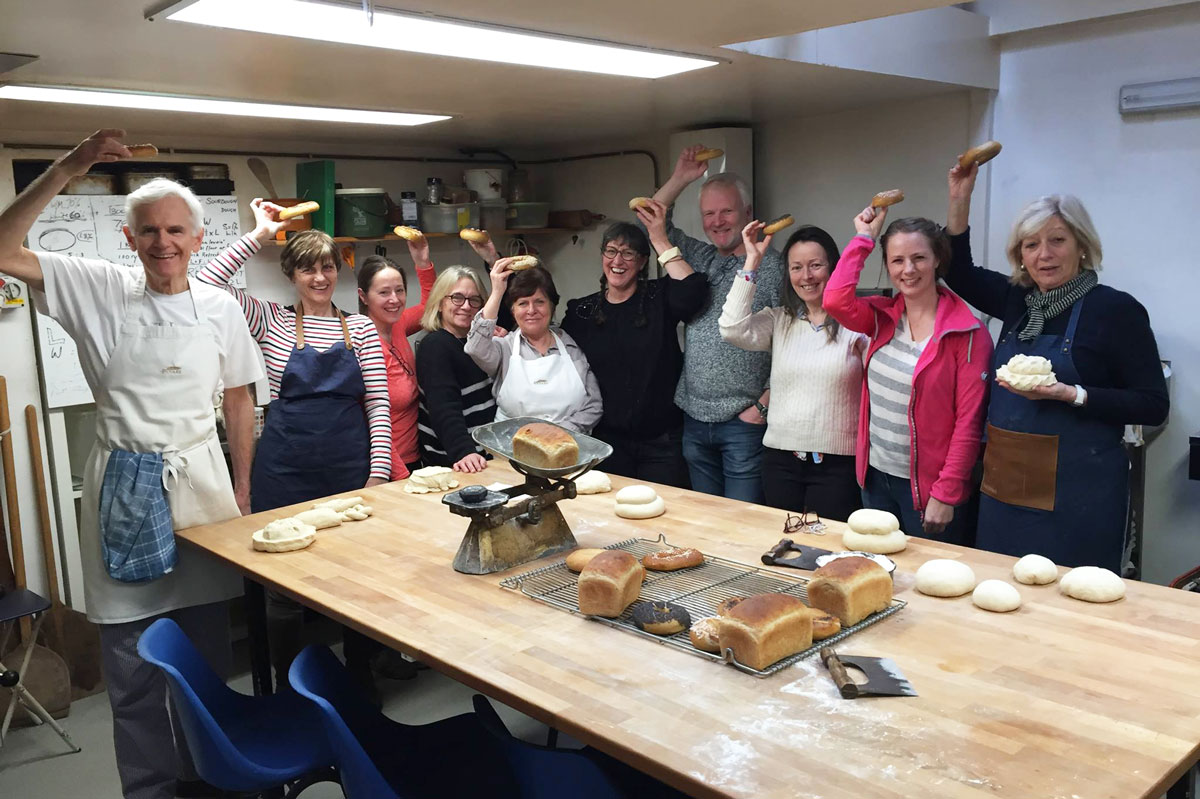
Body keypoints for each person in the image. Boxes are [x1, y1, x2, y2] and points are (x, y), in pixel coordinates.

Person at [0, 130, 263, 799]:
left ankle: (215, 779)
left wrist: (241, 490)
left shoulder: (220, 307)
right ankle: (150, 790)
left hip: (203, 496)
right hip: (124, 490)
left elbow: (239, 400)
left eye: (176, 230)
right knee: (136, 669)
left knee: (205, 663)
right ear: (129, 238)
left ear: (198, 239)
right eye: (148, 231)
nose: (163, 242)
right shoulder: (99, 289)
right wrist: (70, 165)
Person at [196, 201, 389, 683]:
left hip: (348, 471)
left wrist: (378, 474)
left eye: (327, 267)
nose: (320, 277)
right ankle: (289, 685)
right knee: (282, 588)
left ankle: (359, 682)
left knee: (357, 580)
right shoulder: (271, 321)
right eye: (308, 268)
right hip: (284, 472)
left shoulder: (361, 327)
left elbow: (378, 405)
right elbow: (204, 284)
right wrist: (259, 233)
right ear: (292, 275)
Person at [945, 162, 1168, 570]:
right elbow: (957, 269)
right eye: (1031, 245)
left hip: (1078, 498)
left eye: (1057, 240)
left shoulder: (1115, 310)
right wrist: (960, 198)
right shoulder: (1016, 300)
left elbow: (1154, 404)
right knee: (999, 590)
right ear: (1020, 255)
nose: (1044, 255)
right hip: (1004, 491)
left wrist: (1073, 394)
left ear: (1082, 245)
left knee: (1069, 605)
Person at [824, 204, 992, 544]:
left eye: (919, 258)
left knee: (929, 587)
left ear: (937, 261)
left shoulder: (968, 334)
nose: (908, 269)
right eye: (897, 260)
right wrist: (863, 238)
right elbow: (835, 300)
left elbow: (969, 423)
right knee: (880, 578)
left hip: (929, 492)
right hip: (875, 479)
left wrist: (947, 492)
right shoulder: (881, 317)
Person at [642, 145, 784, 502]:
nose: (717, 221)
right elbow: (647, 219)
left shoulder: (775, 267)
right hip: (693, 417)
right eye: (709, 213)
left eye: (726, 211)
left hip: (745, 422)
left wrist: (763, 406)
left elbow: (794, 342)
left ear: (748, 213)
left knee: (741, 523)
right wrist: (680, 179)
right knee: (706, 520)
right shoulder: (699, 255)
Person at [720, 222, 867, 521]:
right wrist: (751, 263)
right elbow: (731, 329)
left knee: (827, 551)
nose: (806, 276)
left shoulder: (857, 324)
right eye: (796, 267)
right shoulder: (779, 319)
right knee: (782, 547)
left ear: (833, 267)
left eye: (815, 265)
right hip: (780, 461)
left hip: (838, 464)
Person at [561, 217, 707, 486]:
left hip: (662, 441)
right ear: (603, 255)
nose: (618, 261)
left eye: (628, 253)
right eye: (612, 251)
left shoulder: (659, 297)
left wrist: (660, 240)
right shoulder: (581, 312)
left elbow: (694, 291)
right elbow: (555, 351)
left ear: (642, 262)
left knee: (669, 515)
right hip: (606, 442)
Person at [466, 259, 602, 433]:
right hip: (511, 450)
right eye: (522, 303)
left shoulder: (570, 346)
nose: (531, 310)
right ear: (513, 311)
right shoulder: (504, 348)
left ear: (552, 307)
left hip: (566, 446)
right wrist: (497, 292)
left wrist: (561, 432)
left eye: (539, 301)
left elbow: (594, 406)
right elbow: (474, 347)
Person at [356, 241, 436, 481]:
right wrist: (400, 476)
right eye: (383, 292)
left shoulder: (398, 324)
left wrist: (422, 262)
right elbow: (368, 422)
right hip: (384, 469)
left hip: (415, 459)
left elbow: (429, 306)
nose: (394, 299)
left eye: (399, 290)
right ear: (364, 296)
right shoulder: (362, 346)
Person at [415, 266, 496, 472]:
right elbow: (444, 406)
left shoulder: (477, 344)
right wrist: (463, 451)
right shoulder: (435, 345)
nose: (466, 306)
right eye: (457, 298)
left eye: (474, 300)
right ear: (440, 303)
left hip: (486, 453)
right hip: (457, 461)